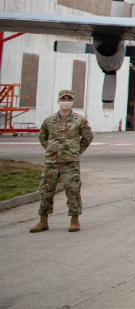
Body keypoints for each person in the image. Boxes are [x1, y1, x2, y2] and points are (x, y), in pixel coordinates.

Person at [30, 89, 93, 233]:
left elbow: (88, 138)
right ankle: (43, 221)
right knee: (46, 191)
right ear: (58, 101)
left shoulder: (80, 120)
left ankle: (74, 220)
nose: (66, 101)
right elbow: (42, 137)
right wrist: (51, 150)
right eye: (63, 99)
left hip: (70, 163)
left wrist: (75, 151)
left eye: (68, 99)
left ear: (72, 101)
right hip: (51, 162)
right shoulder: (49, 120)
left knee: (73, 190)